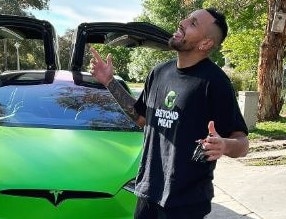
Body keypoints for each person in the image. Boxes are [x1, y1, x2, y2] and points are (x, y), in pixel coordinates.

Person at [89, 8, 249, 219]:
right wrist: (109, 82)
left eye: (193, 23)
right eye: (187, 18)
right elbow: (142, 119)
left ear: (206, 44)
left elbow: (243, 143)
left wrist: (225, 145)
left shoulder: (215, 83)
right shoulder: (159, 72)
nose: (182, 22)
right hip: (148, 193)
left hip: (186, 203)